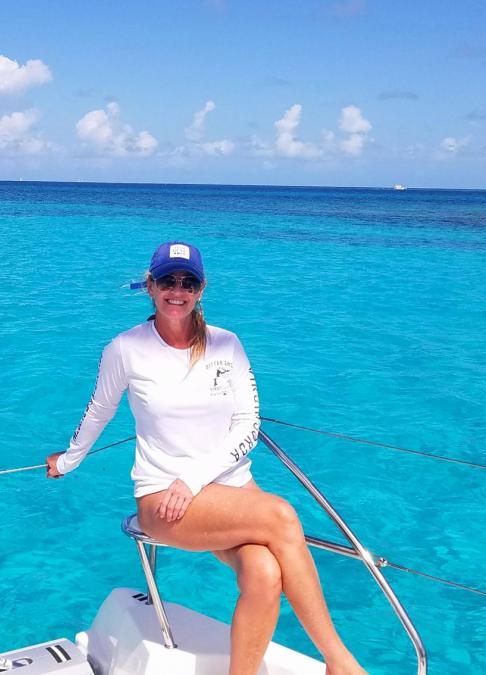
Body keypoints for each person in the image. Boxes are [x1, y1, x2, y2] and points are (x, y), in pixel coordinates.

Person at [45, 241, 367, 675]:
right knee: (284, 516)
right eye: (167, 280)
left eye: (188, 282)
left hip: (227, 491)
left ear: (201, 289)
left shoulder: (227, 345)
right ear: (150, 285)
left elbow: (248, 423)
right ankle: (340, 663)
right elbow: (99, 410)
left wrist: (195, 478)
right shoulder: (124, 348)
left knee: (265, 574)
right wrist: (68, 461)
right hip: (164, 498)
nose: (177, 290)